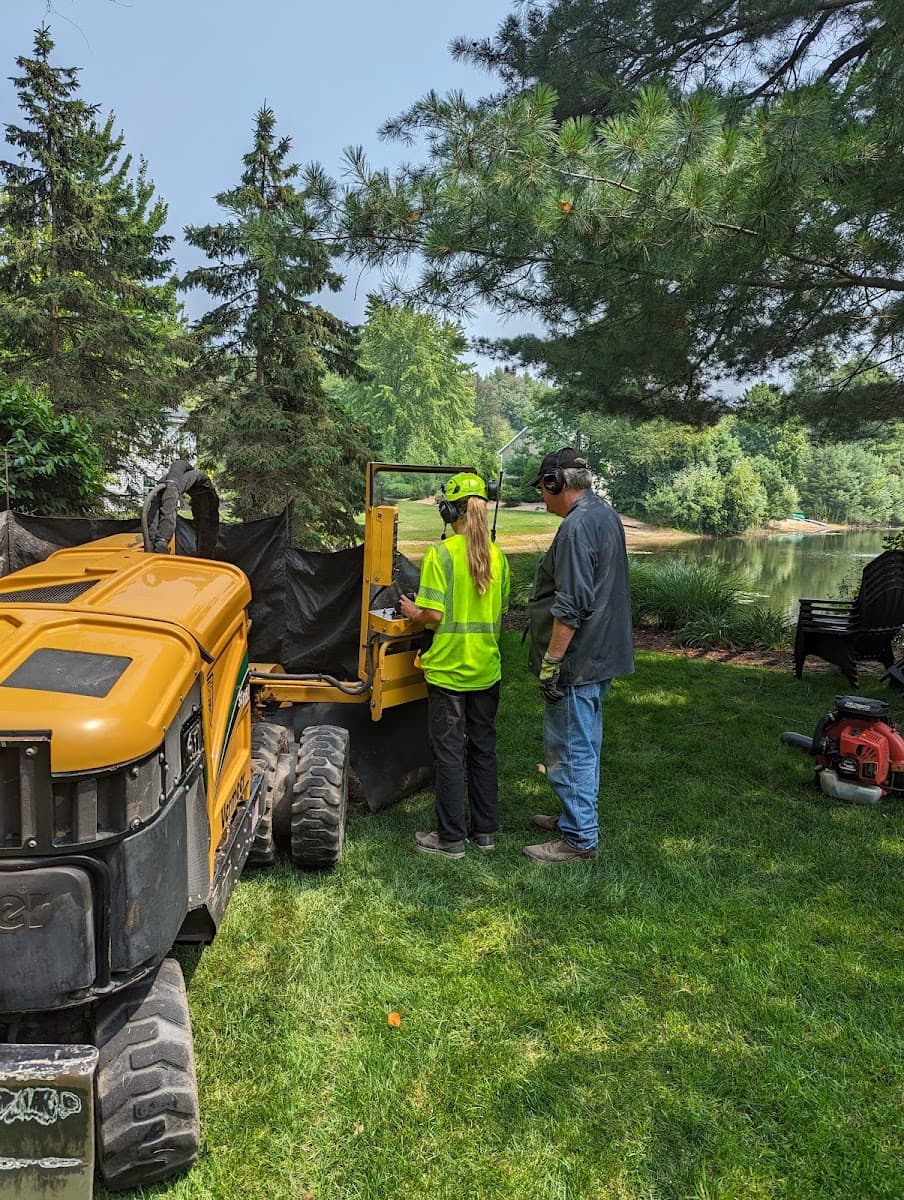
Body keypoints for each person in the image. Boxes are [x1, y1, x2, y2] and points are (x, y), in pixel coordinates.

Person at [523, 447, 634, 864]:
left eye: (542, 488)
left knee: (570, 748)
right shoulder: (603, 514)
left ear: (557, 483)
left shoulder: (575, 528)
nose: (541, 497)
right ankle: (574, 819)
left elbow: (570, 606)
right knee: (583, 741)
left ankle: (578, 840)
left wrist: (552, 664)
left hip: (578, 661)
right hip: (600, 657)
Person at [400, 472, 510, 859]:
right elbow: (500, 612)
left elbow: (432, 614)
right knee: (483, 750)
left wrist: (411, 610)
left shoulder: (441, 554)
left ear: (450, 510)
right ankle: (485, 832)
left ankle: (450, 839)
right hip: (486, 670)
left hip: (447, 672)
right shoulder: (498, 557)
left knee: (449, 753)